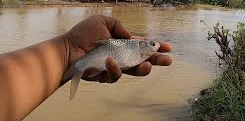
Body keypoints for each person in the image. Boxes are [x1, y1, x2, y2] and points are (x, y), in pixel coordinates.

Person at [0, 15, 173, 121]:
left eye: (153, 44)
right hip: (99, 55)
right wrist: (68, 50)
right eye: (152, 44)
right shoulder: (137, 47)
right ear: (143, 45)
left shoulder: (139, 50)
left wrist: (66, 49)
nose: (154, 45)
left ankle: (72, 69)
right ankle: (74, 69)